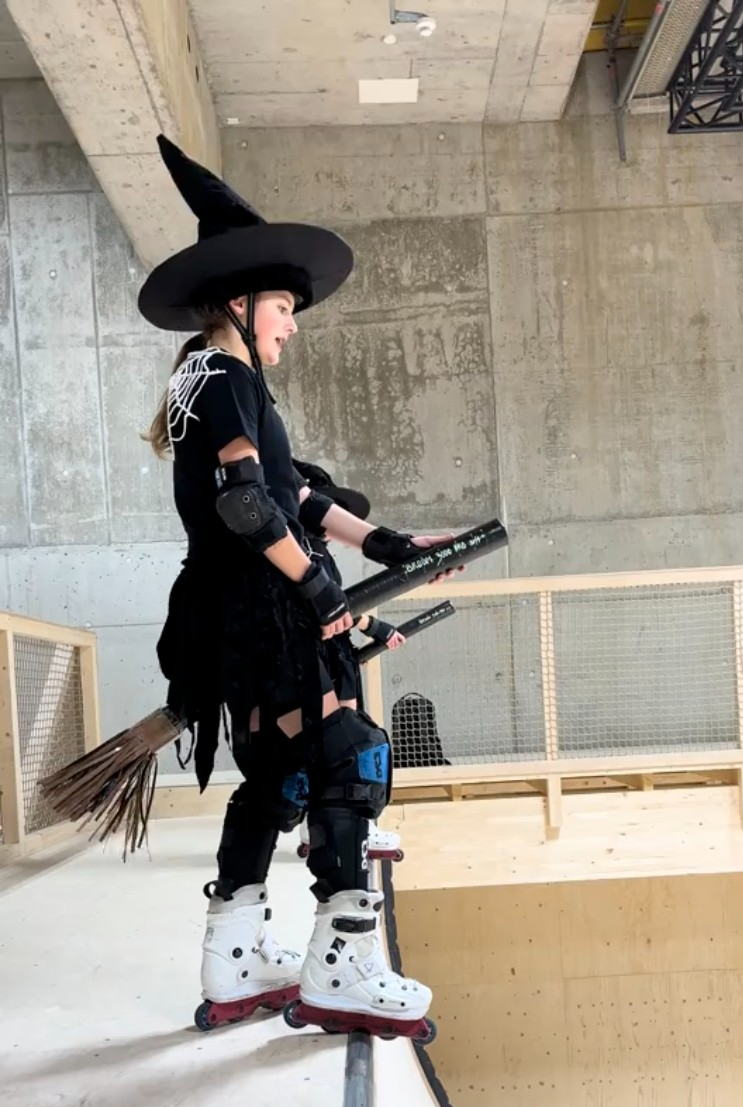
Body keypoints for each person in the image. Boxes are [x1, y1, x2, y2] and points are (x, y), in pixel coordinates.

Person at [138, 135, 452, 1039]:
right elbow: (246, 506)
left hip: (238, 605)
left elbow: (294, 496)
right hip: (260, 606)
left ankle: (234, 960)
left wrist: (384, 540)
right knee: (347, 750)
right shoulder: (221, 373)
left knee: (274, 776)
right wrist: (318, 597)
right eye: (282, 305)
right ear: (236, 303)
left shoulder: (215, 381)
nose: (293, 322)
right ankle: (341, 965)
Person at [293, 461, 405, 862]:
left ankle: (345, 829)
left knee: (344, 741)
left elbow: (339, 608)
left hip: (336, 652)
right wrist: (375, 626)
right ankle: (343, 830)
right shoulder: (298, 548)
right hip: (316, 653)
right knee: (344, 744)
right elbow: (321, 608)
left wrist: (374, 628)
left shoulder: (315, 550)